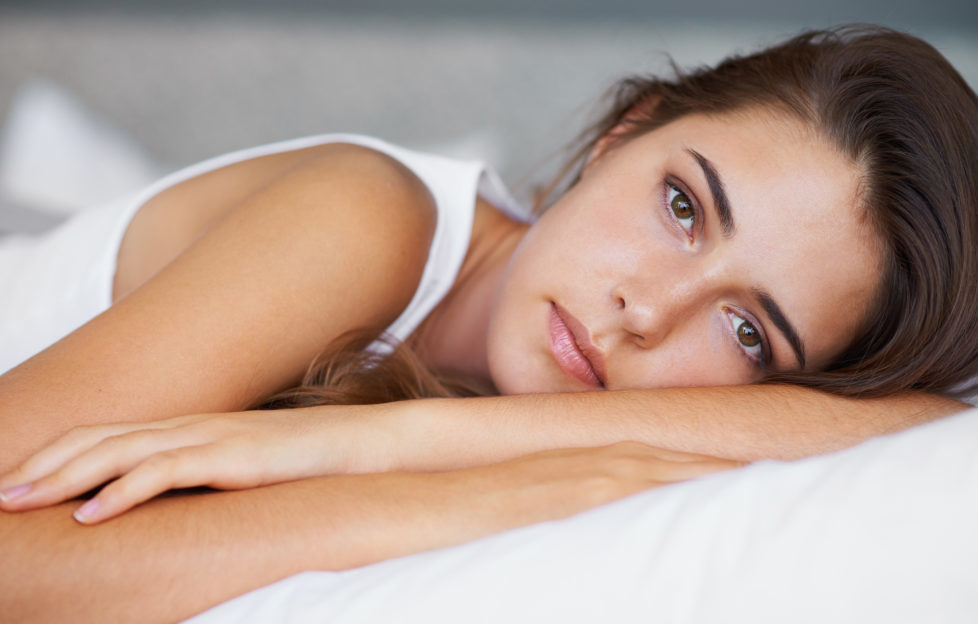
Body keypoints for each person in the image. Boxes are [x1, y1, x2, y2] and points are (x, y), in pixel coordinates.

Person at [0, 24, 976, 622]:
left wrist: (409, 438)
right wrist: (504, 495)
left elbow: (935, 435)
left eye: (749, 331)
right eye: (683, 206)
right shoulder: (370, 216)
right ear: (622, 135)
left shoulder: (485, 392)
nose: (647, 312)